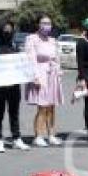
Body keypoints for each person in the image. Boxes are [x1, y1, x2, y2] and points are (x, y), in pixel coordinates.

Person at [0, 20, 29, 153]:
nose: (8, 33)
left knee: (14, 112)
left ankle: (16, 138)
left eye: (10, 30)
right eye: (5, 30)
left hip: (14, 85)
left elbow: (19, 63)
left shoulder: (14, 44)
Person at [25, 15, 64, 147]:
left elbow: (57, 58)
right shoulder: (32, 39)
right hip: (40, 74)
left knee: (52, 106)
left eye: (49, 23)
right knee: (42, 106)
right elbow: (30, 59)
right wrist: (34, 76)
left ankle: (51, 134)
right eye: (44, 23)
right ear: (38, 24)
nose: (47, 25)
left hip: (52, 74)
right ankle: (38, 135)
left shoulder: (53, 40)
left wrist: (58, 71)